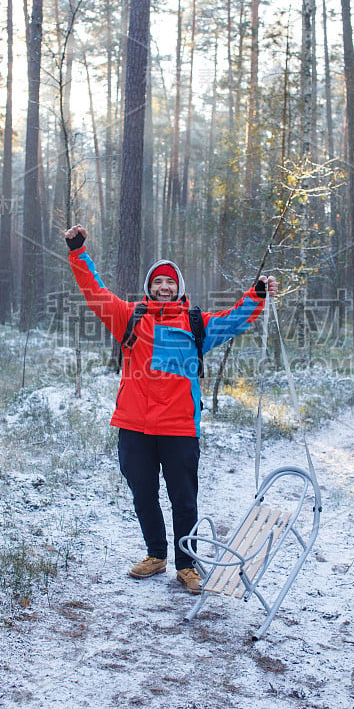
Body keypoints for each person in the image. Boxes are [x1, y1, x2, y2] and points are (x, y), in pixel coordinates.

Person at [65, 223, 278, 594]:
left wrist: (257, 294)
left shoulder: (197, 325)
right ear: (149, 288)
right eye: (158, 283)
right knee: (143, 495)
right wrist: (79, 253)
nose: (164, 287)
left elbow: (235, 318)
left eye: (170, 283)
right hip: (134, 427)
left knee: (184, 500)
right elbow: (94, 293)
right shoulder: (128, 317)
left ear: (179, 288)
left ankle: (187, 564)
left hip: (179, 428)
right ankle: (156, 555)